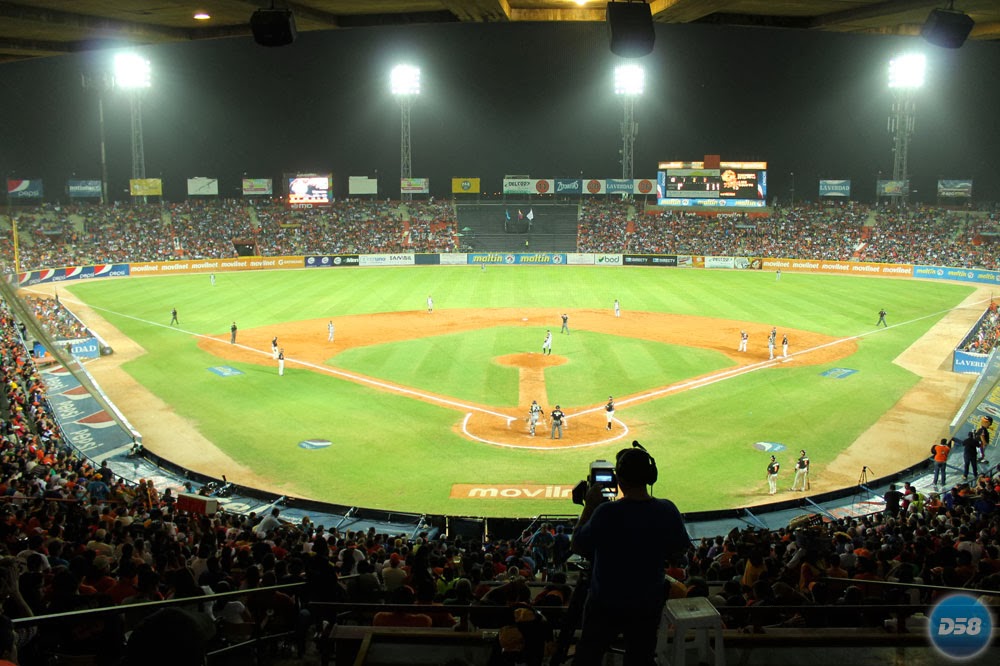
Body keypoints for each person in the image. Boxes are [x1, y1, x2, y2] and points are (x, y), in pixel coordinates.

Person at [570, 444, 689, 666]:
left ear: (620, 478)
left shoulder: (606, 512)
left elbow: (577, 545)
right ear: (650, 477)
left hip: (604, 602)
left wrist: (589, 506)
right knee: (640, 659)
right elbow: (679, 550)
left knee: (587, 658)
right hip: (647, 603)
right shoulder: (667, 510)